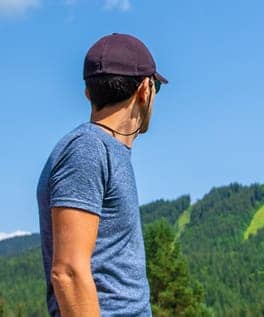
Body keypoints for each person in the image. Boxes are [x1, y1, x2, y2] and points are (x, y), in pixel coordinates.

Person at [36, 33, 168, 317]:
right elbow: (68, 273)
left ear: (88, 93)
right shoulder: (88, 149)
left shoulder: (104, 150)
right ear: (145, 90)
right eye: (156, 85)